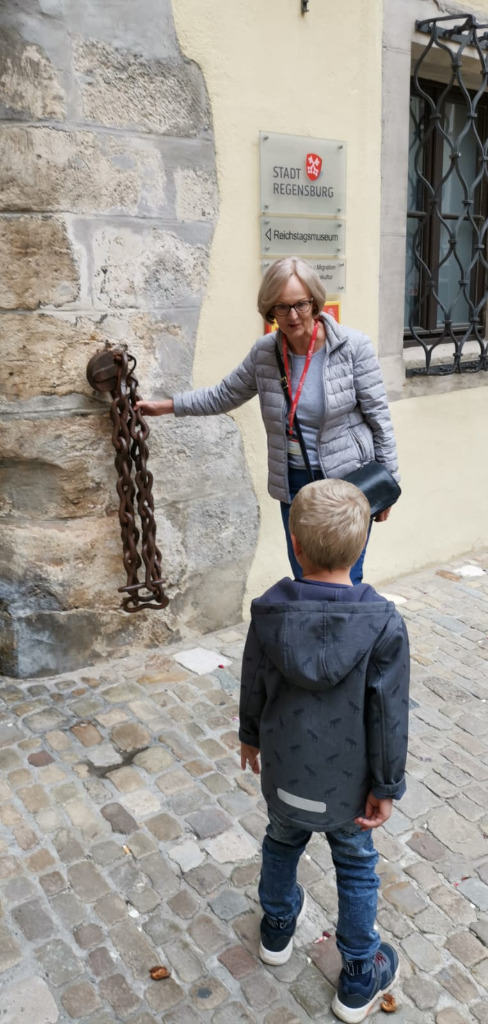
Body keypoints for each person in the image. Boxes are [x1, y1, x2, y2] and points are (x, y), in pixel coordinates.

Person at [239, 478, 409, 1023]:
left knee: (280, 843)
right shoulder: (383, 624)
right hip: (348, 787)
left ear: (295, 543)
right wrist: (386, 786)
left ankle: (276, 927)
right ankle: (358, 972)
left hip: (286, 775)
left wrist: (249, 736)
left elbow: (253, 682)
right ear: (360, 548)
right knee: (356, 868)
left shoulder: (269, 614)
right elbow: (388, 715)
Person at [135, 256, 399, 583]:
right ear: (270, 309)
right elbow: (223, 395)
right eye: (281, 307)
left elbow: (379, 420)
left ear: (314, 302)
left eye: (300, 304)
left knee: (346, 577)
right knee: (305, 577)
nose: (292, 316)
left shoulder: (353, 347)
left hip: (347, 483)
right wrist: (165, 407)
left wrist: (389, 486)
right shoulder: (265, 354)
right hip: (296, 483)